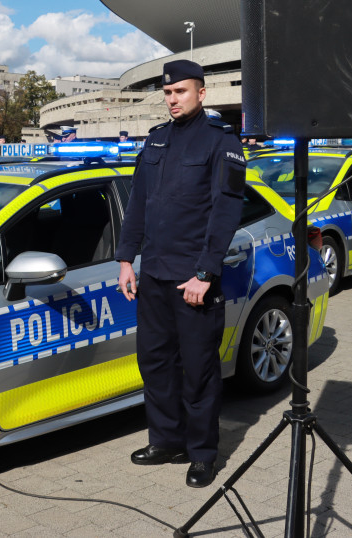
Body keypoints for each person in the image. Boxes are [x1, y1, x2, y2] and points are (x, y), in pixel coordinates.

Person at [114, 59, 245, 489]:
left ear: (202, 93)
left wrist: (205, 273)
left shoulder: (220, 142)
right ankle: (166, 440)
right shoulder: (155, 143)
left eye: (181, 92)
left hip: (193, 280)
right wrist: (126, 260)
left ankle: (203, 453)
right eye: (168, 93)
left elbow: (225, 211)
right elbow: (138, 207)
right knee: (155, 363)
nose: (173, 100)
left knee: (198, 369)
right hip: (153, 275)